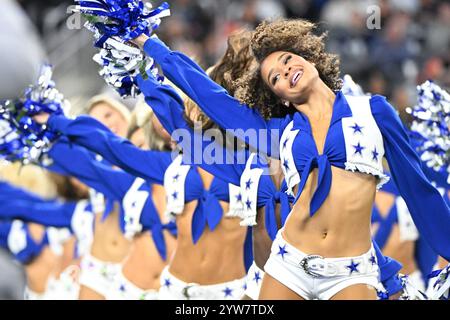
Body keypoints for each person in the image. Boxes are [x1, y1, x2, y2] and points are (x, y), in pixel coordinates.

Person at [130, 18, 450, 300]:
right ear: (278, 95)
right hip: (290, 261)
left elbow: (418, 190)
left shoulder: (374, 111)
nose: (285, 71)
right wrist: (151, 46)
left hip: (351, 269)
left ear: (309, 58)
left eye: (287, 60)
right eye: (275, 78)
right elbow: (211, 98)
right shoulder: (278, 134)